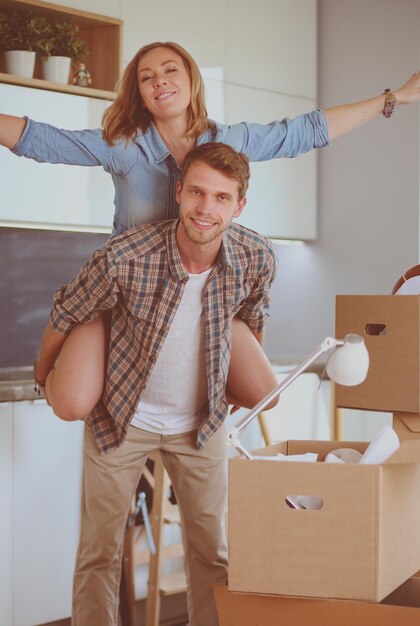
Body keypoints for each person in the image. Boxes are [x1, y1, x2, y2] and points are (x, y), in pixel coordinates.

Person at [3, 41, 420, 420]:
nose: (159, 81)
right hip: (125, 298)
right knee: (71, 404)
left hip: (198, 302)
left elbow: (305, 131)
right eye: (146, 77)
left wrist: (395, 98)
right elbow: (39, 140)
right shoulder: (123, 146)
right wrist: (46, 369)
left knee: (262, 395)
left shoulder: (225, 141)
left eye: (170, 71)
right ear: (139, 94)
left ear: (191, 81)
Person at [35, 142, 277, 626]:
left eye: (222, 198)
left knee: (212, 554)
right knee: (99, 553)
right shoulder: (126, 256)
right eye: (198, 193)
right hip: (122, 418)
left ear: (239, 205)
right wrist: (43, 374)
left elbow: (252, 321)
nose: (207, 209)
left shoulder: (255, 256)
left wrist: (228, 386)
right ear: (179, 192)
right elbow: (66, 312)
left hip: (199, 425)